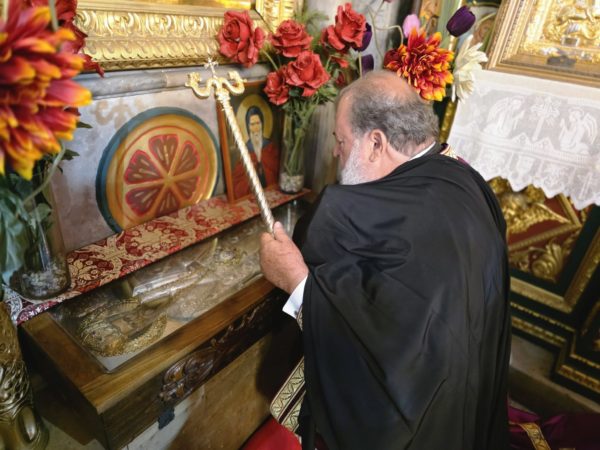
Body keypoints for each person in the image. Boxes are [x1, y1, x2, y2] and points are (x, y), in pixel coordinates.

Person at [259, 70, 510, 450]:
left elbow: (389, 358)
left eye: (341, 141)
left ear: (376, 143)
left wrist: (297, 280)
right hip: (468, 398)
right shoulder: (461, 177)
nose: (336, 152)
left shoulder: (410, 218)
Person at [232, 106, 279, 199]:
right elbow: (238, 180)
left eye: (258, 123)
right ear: (247, 126)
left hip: (271, 193)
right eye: (252, 124)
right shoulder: (244, 149)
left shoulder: (270, 147)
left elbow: (276, 169)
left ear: (262, 124)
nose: (256, 128)